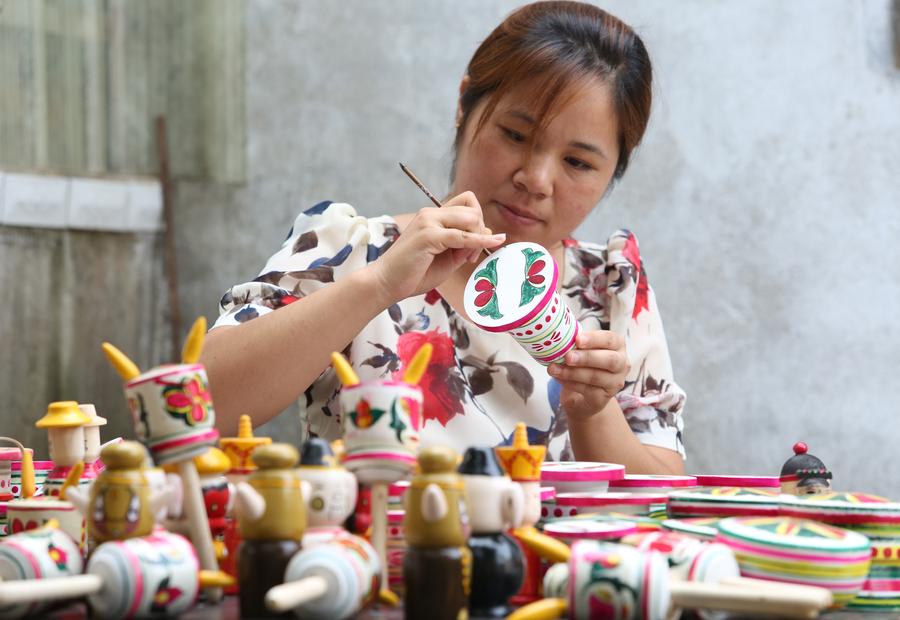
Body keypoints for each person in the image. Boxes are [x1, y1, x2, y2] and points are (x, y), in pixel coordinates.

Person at [202, 1, 686, 474]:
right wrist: (378, 285)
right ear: (464, 105)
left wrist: (592, 409)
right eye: (516, 135)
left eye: (578, 163)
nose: (536, 179)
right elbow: (202, 401)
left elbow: (666, 501)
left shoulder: (611, 288)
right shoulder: (349, 249)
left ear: (614, 171)